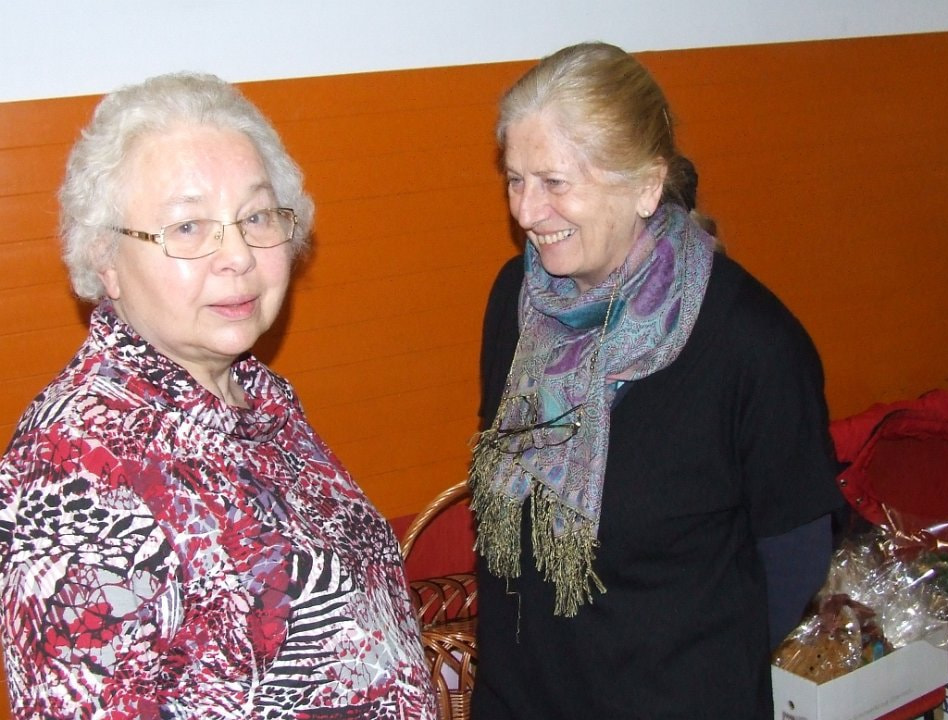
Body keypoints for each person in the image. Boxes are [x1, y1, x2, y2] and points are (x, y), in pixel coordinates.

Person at [0, 73, 436, 719]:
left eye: (255, 217)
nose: (237, 254)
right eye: (187, 226)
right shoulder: (76, 470)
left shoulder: (253, 395)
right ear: (106, 258)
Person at [468, 42, 843, 719]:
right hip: (519, 700)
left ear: (646, 186)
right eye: (515, 180)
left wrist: (695, 674)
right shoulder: (515, 301)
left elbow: (796, 554)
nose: (526, 211)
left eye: (554, 182)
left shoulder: (750, 343)